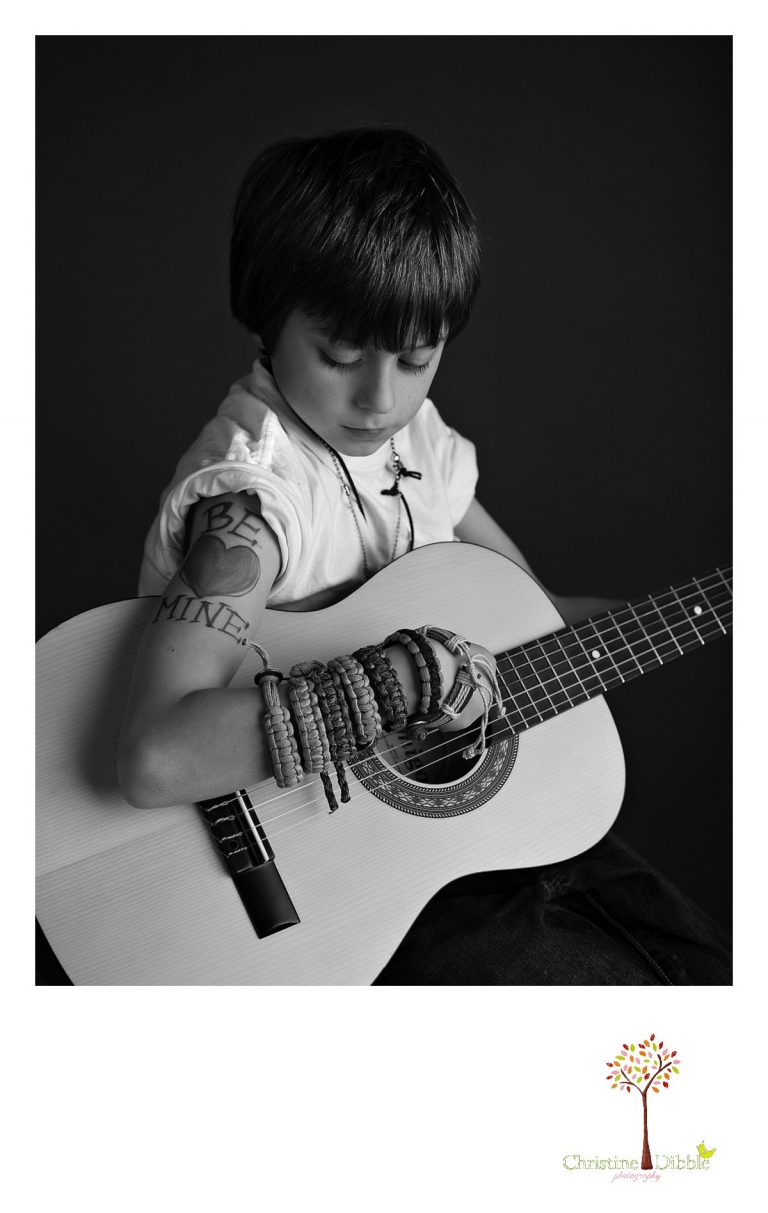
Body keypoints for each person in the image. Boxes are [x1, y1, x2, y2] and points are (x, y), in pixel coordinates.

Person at [117, 125, 731, 985]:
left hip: (439, 831)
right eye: (339, 354)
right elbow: (154, 754)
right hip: (313, 881)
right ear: (267, 311)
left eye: (416, 357)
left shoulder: (419, 441)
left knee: (702, 968)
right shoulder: (252, 504)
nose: (380, 398)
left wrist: (708, 610)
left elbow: (531, 618)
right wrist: (397, 681)